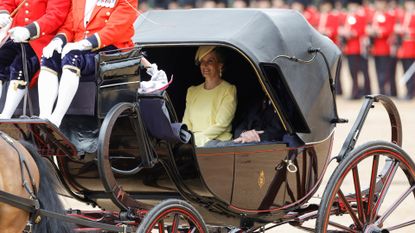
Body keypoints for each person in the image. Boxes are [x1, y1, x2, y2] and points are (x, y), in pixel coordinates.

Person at [37, 0, 142, 127]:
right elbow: (70, 26)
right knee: (49, 57)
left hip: (111, 49)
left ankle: (56, 119)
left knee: (73, 58)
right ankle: (44, 117)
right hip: (81, 47)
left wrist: (83, 44)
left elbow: (115, 29)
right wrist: (58, 41)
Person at [0, 0, 71, 119]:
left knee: (21, 65)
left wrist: (29, 30)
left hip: (41, 39)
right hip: (15, 35)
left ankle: (6, 115)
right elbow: (7, 2)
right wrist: (3, 13)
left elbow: (55, 15)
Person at [182, 46, 237, 147]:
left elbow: (221, 124)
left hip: (217, 145)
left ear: (220, 65)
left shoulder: (228, 90)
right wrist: (188, 140)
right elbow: (186, 122)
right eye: (202, 61)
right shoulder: (192, 91)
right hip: (193, 145)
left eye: (210, 61)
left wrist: (195, 140)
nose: (205, 65)